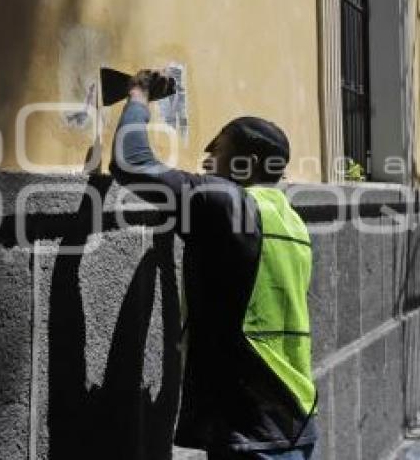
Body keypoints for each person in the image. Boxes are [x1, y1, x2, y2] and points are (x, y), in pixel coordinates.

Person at [109, 70, 318, 459]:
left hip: (250, 431)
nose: (207, 160)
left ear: (248, 163)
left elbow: (131, 163)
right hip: (294, 422)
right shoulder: (290, 220)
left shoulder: (225, 203)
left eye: (218, 150)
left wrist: (138, 96)